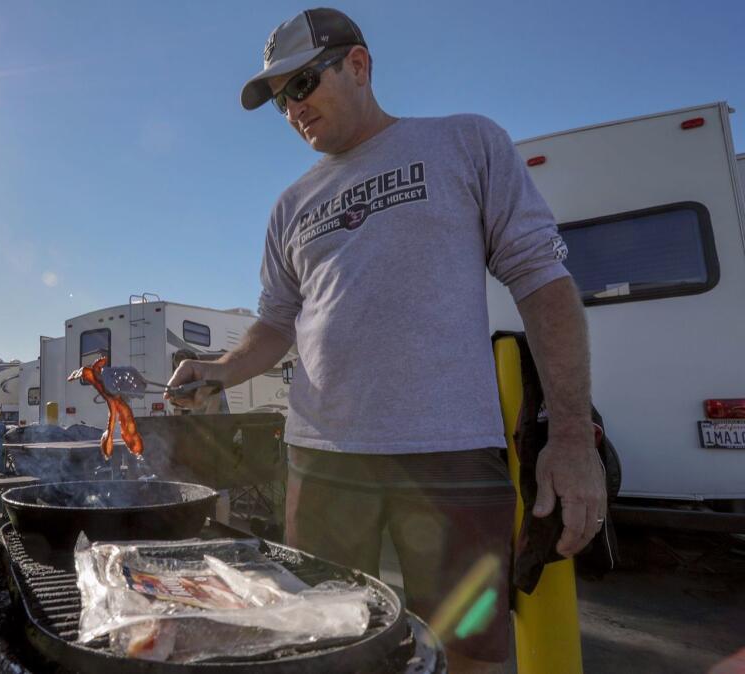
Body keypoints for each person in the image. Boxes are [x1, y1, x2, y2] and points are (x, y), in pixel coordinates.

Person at [167, 8, 607, 671]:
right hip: (321, 461)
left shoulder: (465, 142)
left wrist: (572, 438)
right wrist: (219, 369)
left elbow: (541, 282)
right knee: (320, 642)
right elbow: (275, 325)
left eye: (302, 84)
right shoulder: (291, 205)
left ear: (359, 65)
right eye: (280, 98)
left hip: (451, 452)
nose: (292, 109)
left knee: (471, 650)